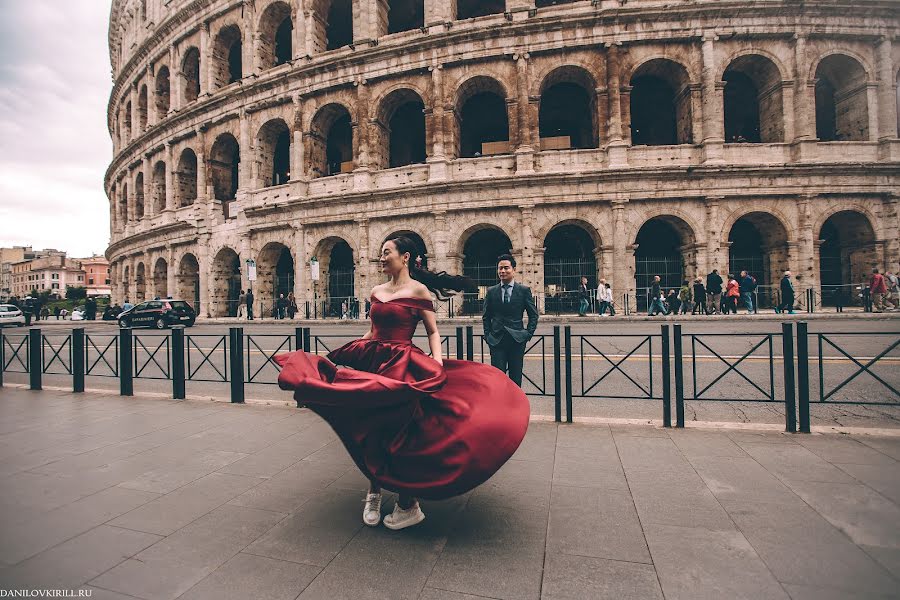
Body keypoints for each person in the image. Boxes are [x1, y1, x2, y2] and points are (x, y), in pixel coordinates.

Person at [275, 236, 529, 531]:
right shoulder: (376, 291)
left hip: (404, 364)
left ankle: (408, 504)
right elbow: (372, 332)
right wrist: (347, 352)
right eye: (381, 253)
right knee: (371, 427)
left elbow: (433, 331)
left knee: (401, 430)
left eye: (386, 253)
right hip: (375, 361)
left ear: (405, 257)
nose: (381, 258)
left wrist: (437, 364)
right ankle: (374, 492)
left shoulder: (418, 291)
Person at [483, 254, 539, 387]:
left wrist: (527, 334)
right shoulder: (491, 291)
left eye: (506, 268)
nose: (502, 271)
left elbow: (533, 315)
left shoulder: (524, 290)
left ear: (514, 269)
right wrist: (488, 336)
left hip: (517, 340)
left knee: (515, 378)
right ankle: (500, 407)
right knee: (498, 378)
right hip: (496, 341)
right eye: (500, 268)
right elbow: (486, 316)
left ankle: (515, 406)